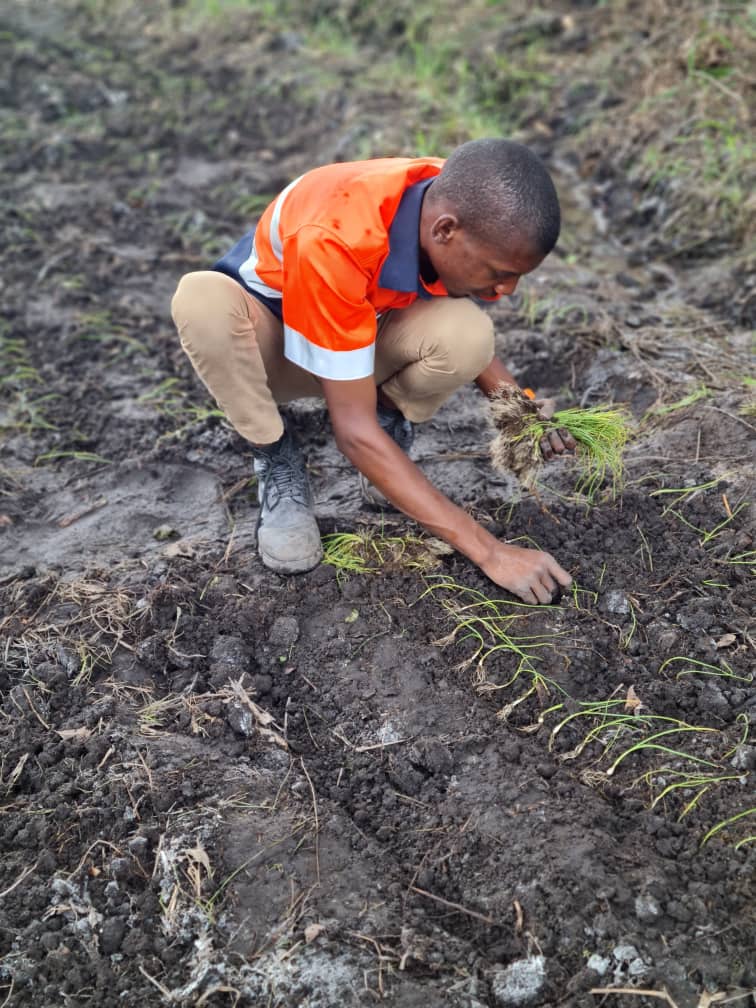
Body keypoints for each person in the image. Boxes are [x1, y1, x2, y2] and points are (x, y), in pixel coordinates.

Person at [171, 138, 576, 605]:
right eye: (500, 272)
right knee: (203, 303)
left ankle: (389, 433)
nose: (507, 290)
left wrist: (521, 414)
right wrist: (490, 552)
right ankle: (277, 456)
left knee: (468, 334)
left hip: (358, 337)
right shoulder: (336, 236)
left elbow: (471, 339)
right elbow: (352, 432)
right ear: (445, 230)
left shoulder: (459, 197)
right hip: (275, 347)